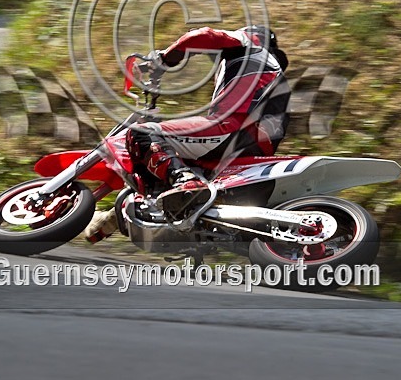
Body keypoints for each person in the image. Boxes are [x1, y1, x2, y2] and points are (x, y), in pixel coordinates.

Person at [84, 25, 290, 242]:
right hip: (252, 149)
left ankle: (186, 181)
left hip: (234, 128)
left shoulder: (251, 45)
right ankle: (118, 218)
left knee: (143, 133)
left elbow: (203, 36)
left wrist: (164, 59)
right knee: (170, 161)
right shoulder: (268, 74)